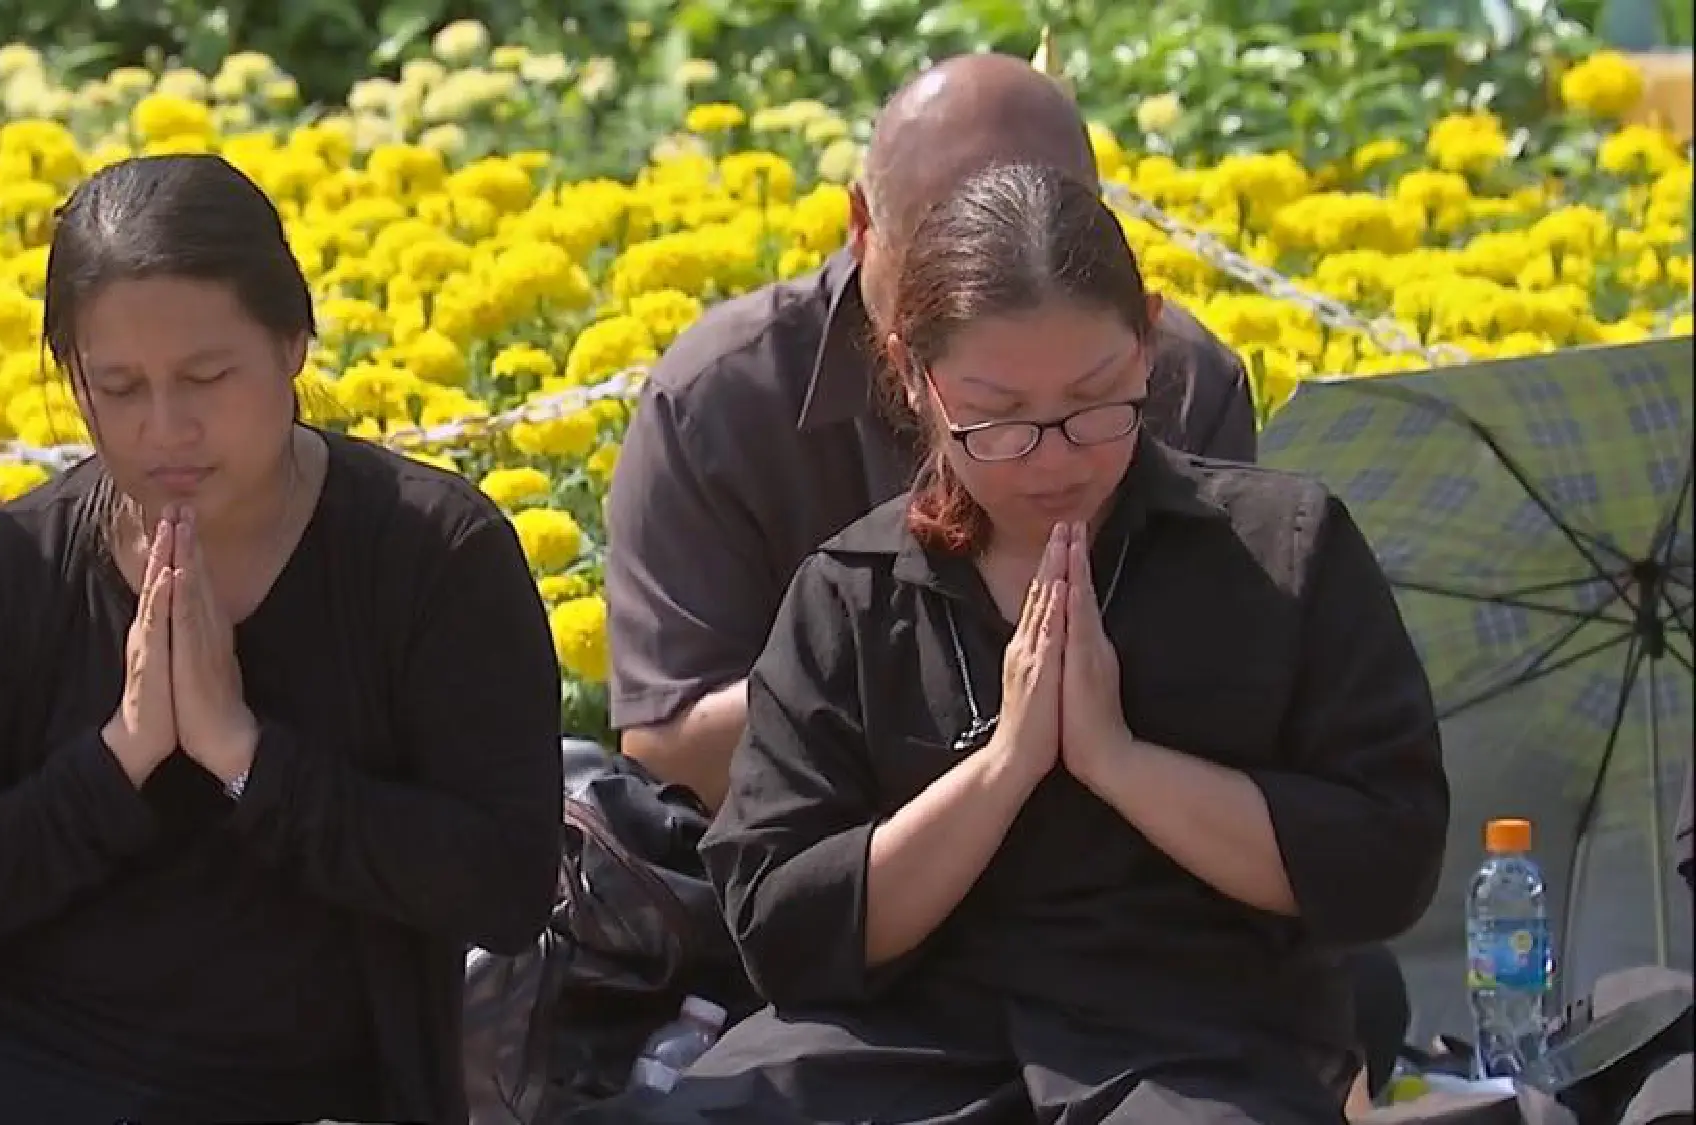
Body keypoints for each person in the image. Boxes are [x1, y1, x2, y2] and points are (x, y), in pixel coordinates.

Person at [0, 154, 563, 1125]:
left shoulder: (432, 555)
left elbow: (503, 885)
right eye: (119, 387)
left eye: (205, 376)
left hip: (284, 1084)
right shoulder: (6, 573)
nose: (167, 429)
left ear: (292, 342)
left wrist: (248, 757)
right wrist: (117, 766)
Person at [598, 162, 1452, 1125]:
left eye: (1094, 404)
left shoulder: (1278, 548)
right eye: (1000, 418)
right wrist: (1003, 768)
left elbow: (1386, 858)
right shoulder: (852, 592)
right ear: (917, 380)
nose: (1054, 459)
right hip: (907, 1036)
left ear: (1147, 346)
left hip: (1200, 1036)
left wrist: (1118, 762)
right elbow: (781, 925)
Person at [605, 53, 1256, 816]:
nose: (991, 299)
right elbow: (672, 755)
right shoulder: (719, 401)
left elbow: (1231, 694)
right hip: (833, 863)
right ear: (861, 227)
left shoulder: (1182, 379)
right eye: (944, 257)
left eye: (1087, 404)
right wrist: (950, 672)